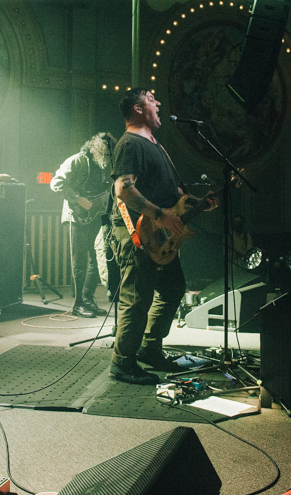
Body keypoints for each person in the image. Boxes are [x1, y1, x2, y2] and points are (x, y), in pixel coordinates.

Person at [105, 89, 217, 384]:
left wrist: (196, 204)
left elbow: (174, 196)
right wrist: (160, 215)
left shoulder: (157, 146)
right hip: (139, 233)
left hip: (162, 234)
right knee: (136, 298)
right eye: (153, 99)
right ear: (139, 108)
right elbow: (124, 189)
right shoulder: (130, 143)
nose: (158, 103)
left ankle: (149, 348)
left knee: (172, 288)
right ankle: (122, 362)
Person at [50, 132, 117, 317]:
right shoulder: (78, 160)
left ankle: (87, 299)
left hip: (96, 216)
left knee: (96, 261)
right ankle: (77, 304)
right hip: (76, 215)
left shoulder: (103, 165)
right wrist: (78, 199)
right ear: (97, 148)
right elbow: (56, 183)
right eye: (105, 152)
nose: (108, 157)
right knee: (79, 262)